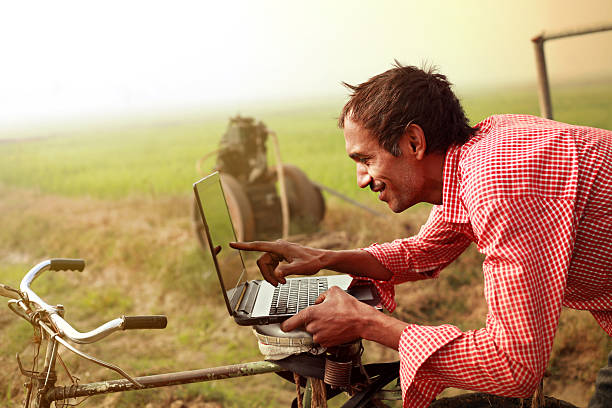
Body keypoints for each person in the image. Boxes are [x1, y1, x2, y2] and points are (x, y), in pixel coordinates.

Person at [230, 63, 612, 407]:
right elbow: (421, 253)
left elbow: (513, 365)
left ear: (414, 142)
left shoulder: (501, 184)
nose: (361, 180)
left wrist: (368, 323)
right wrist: (325, 258)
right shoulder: (474, 156)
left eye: (365, 160)